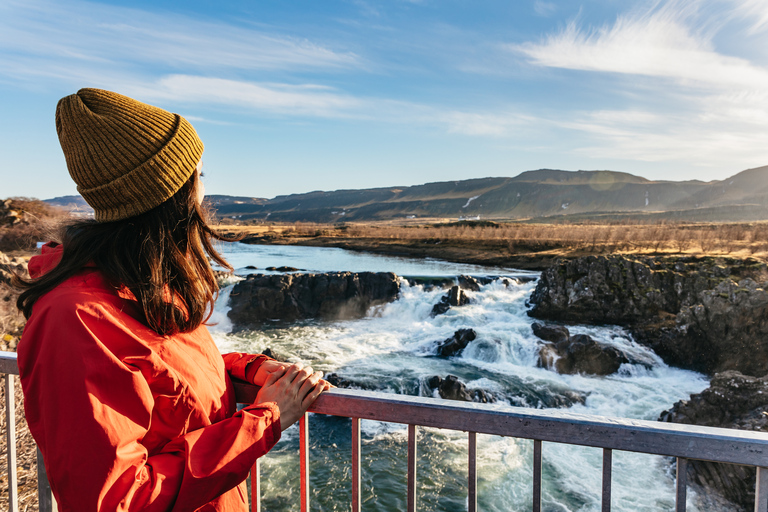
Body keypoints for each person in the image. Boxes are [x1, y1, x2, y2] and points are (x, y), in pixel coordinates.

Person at [14, 88, 329, 511]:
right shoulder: (75, 319)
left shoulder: (138, 284)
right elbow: (117, 499)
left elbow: (162, 368)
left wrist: (248, 369)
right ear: (169, 196)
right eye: (197, 176)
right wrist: (264, 421)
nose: (203, 192)